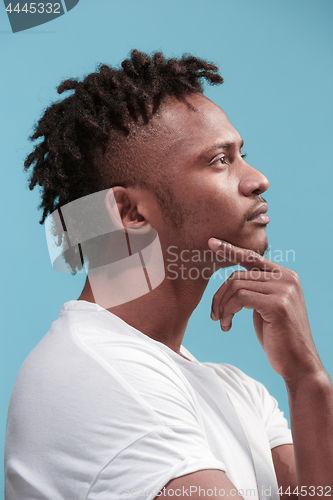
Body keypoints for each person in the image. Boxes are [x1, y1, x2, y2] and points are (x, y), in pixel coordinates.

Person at [4, 50, 333, 500]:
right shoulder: (95, 376)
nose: (258, 180)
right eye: (220, 160)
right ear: (129, 211)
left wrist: (307, 381)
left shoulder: (239, 393)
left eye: (242, 155)